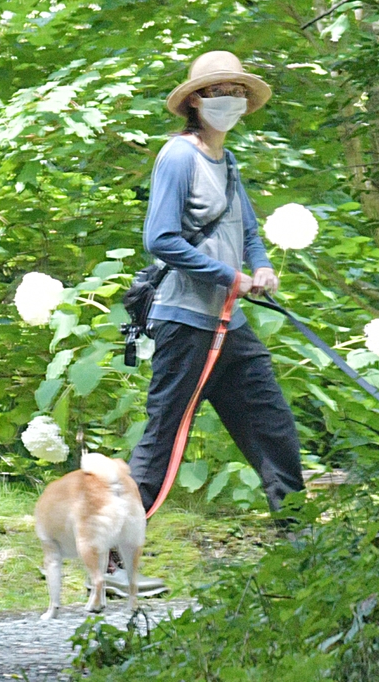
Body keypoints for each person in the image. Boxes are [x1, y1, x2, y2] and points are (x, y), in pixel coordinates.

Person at [129, 50, 303, 516]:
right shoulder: (178, 156)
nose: (229, 99)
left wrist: (261, 267)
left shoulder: (226, 162)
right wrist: (232, 278)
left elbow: (247, 231)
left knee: (272, 426)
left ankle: (301, 539)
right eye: (218, 91)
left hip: (230, 325)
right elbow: (160, 239)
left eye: (237, 91)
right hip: (186, 321)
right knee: (165, 434)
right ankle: (109, 556)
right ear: (196, 101)